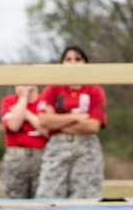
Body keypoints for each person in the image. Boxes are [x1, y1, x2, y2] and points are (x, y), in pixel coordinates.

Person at [34, 46, 106, 200]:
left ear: (85, 63)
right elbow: (43, 120)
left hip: (86, 148)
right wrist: (77, 118)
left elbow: (93, 126)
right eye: (68, 59)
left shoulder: (94, 90)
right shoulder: (53, 89)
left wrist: (58, 122)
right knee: (49, 194)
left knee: (85, 196)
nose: (73, 62)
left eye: (77, 59)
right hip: (57, 146)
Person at [0, 83, 49, 199]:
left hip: (42, 155)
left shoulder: (45, 102)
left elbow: (48, 131)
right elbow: (13, 126)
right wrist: (23, 98)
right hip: (16, 156)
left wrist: (26, 114)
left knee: (43, 198)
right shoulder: (9, 101)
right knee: (12, 199)